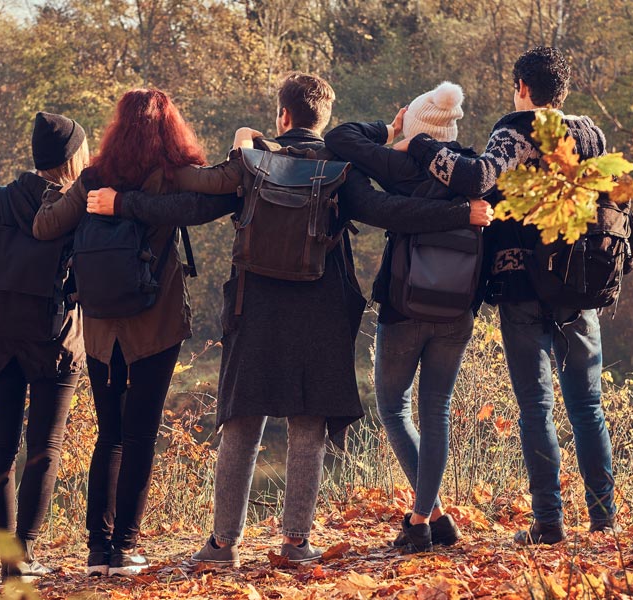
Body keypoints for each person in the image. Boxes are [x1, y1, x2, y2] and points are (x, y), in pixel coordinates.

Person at [86, 72, 494, 565]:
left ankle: (222, 544)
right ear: (321, 118)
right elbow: (393, 212)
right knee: (307, 424)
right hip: (320, 311)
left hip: (254, 308)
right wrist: (458, 213)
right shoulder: (343, 169)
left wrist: (124, 202)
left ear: (283, 115)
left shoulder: (256, 162)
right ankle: (296, 543)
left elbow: (191, 206)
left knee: (242, 422)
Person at [402, 47, 617, 544]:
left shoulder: (515, 130)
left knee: (536, 408)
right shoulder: (589, 133)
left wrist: (418, 146)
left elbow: (478, 178)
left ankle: (548, 523)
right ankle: (604, 519)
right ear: (561, 91)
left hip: (523, 285)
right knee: (588, 406)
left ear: (522, 85)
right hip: (581, 286)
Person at [32, 89, 241, 576]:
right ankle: (124, 549)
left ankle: (97, 551)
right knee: (141, 434)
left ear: (116, 127)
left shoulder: (92, 180)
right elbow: (225, 191)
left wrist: (69, 191)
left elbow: (45, 228)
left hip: (102, 328)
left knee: (111, 435)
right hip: (156, 324)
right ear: (170, 129)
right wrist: (243, 147)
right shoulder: (171, 177)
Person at [324, 81, 486, 553]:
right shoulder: (473, 172)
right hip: (457, 310)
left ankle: (422, 519)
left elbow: (339, 138)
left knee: (394, 408)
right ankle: (431, 515)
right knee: (436, 410)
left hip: (404, 306)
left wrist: (390, 129)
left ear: (417, 130)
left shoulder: (403, 165)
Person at [0, 111, 88, 579]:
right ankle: (26, 552)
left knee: (0, 445)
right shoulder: (73, 206)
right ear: (72, 157)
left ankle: (8, 558)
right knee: (44, 447)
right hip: (54, 341)